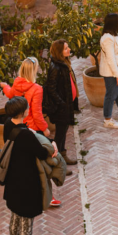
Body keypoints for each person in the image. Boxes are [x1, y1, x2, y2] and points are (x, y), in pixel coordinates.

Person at [4, 96, 56, 235]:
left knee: (14, 216)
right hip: (26, 181)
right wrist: (53, 149)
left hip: (13, 180)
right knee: (26, 220)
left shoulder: (8, 126)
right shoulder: (25, 134)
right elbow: (41, 153)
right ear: (23, 112)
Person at [44, 40, 80, 168]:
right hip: (61, 108)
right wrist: (62, 103)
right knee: (59, 135)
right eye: (65, 48)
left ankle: (63, 156)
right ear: (60, 52)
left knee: (63, 132)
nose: (69, 49)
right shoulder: (55, 67)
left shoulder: (64, 63)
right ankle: (57, 162)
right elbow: (51, 88)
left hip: (67, 105)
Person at [2, 58, 48, 134]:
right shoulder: (37, 89)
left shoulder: (17, 82)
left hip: (19, 123)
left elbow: (10, 94)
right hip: (32, 127)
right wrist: (44, 128)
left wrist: (5, 86)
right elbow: (37, 113)